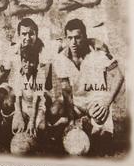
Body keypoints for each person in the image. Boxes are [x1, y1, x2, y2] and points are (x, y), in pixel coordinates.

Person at [51, 18, 125, 156]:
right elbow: (67, 91)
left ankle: (93, 126)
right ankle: (75, 124)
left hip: (95, 100)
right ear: (66, 38)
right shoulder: (61, 58)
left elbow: (119, 76)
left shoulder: (98, 52)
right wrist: (72, 120)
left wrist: (106, 102)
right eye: (70, 38)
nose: (73, 42)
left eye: (77, 37)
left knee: (103, 145)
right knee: (54, 110)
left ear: (85, 37)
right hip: (77, 101)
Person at [10, 40, 52, 156]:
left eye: (31, 62)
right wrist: (19, 115)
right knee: (16, 126)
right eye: (25, 61)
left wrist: (32, 121)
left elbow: (36, 101)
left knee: (41, 127)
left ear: (36, 62)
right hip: (23, 107)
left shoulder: (40, 74)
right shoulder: (19, 75)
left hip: (37, 108)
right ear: (21, 61)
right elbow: (17, 99)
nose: (28, 65)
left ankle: (39, 142)